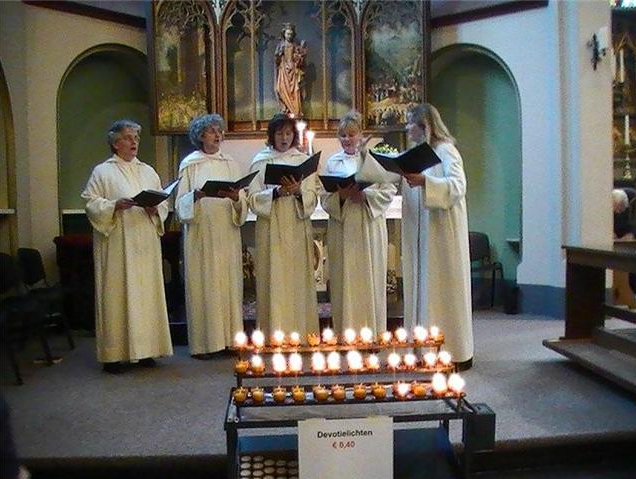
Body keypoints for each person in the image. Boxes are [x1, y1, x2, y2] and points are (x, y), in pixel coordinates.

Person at [81, 119, 173, 373]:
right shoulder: (103, 172)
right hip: (118, 244)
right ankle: (114, 355)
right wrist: (113, 206)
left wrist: (156, 208)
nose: (134, 142)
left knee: (145, 294)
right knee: (117, 294)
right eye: (129, 137)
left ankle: (146, 351)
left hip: (144, 242)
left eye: (136, 138)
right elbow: (90, 203)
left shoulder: (148, 171)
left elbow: (162, 202)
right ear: (115, 142)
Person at [400, 104, 474, 370]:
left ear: (425, 126)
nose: (407, 127)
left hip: (443, 235)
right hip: (423, 236)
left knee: (443, 289)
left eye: (411, 123)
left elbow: (458, 186)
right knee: (425, 289)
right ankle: (423, 347)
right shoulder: (416, 154)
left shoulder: (445, 150)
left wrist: (424, 183)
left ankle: (453, 349)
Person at [175, 114, 249, 358]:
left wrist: (237, 198)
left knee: (228, 284)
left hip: (226, 232)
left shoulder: (230, 163)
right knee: (204, 284)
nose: (217, 135)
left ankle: (229, 340)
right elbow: (180, 203)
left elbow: (243, 197)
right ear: (199, 136)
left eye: (219, 130)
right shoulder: (190, 164)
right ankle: (205, 344)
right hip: (201, 234)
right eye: (211, 131)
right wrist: (194, 197)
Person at [320, 111, 396, 334]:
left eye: (351, 134)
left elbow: (389, 188)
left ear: (361, 134)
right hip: (343, 227)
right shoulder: (333, 163)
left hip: (368, 225)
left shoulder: (375, 158)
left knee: (370, 279)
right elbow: (325, 198)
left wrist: (365, 196)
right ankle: (347, 332)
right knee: (345, 280)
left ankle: (372, 332)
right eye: (342, 135)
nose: (347, 139)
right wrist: (341, 197)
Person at [248, 113, 318, 336]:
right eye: (279, 133)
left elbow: (313, 196)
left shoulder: (302, 161)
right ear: (272, 136)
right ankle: (273, 333)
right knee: (273, 278)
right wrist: (276, 193)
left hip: (297, 226)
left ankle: (301, 332)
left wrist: (299, 192)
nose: (284, 138)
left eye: (288, 133)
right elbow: (252, 197)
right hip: (271, 227)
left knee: (297, 280)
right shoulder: (261, 161)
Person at [274, 23, 307, 117]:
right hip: (283, 70)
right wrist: (278, 55)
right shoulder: (281, 45)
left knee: (295, 90)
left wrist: (300, 55)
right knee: (280, 89)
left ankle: (295, 111)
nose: (289, 36)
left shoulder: (294, 45)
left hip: (292, 70)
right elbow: (276, 59)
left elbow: (298, 57)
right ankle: (285, 109)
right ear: (284, 34)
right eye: (287, 34)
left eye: (291, 34)